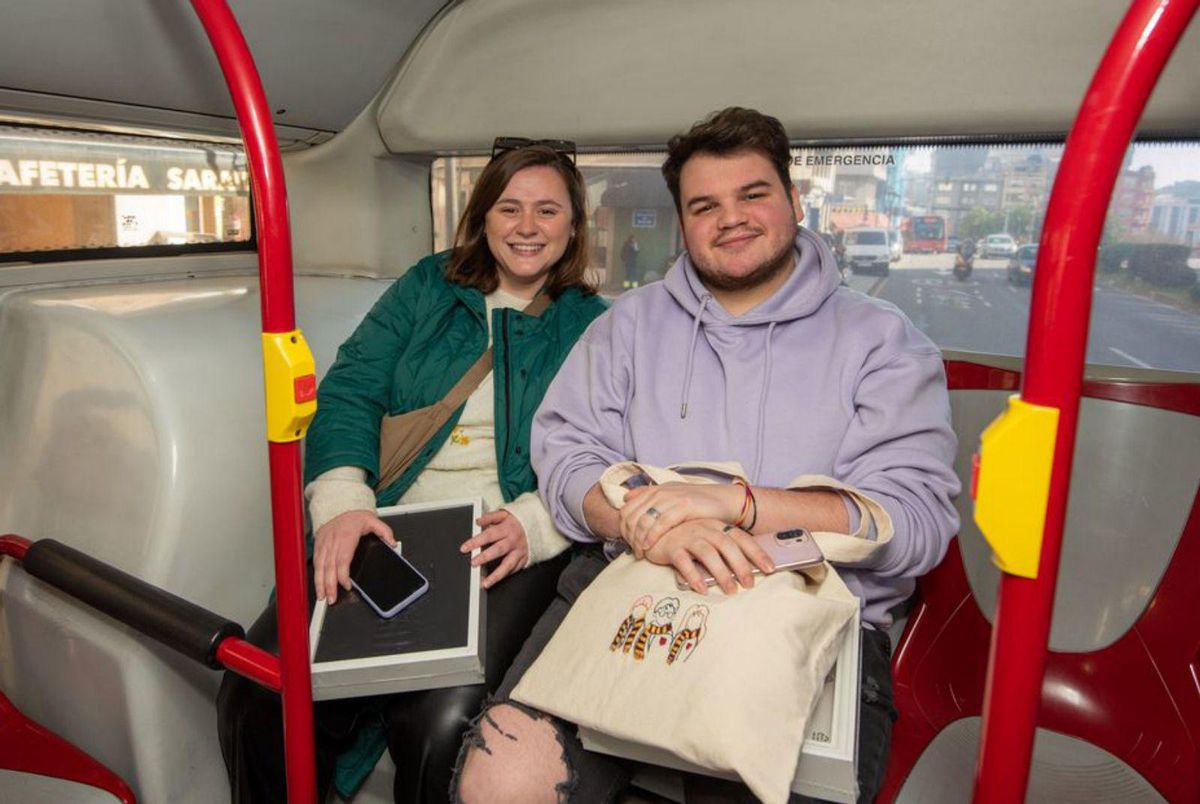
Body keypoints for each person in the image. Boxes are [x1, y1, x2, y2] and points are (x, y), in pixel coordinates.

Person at [453, 108, 960, 803]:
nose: (732, 218)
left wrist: (737, 505)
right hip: (635, 589)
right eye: (704, 206)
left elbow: (914, 523)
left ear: (793, 200)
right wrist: (650, 524)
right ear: (683, 222)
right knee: (502, 779)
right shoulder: (626, 328)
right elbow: (568, 456)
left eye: (752, 194)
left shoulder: (883, 343)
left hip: (806, 610)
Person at [216, 139, 608, 803]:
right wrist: (343, 503)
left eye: (547, 211)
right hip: (387, 518)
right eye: (509, 208)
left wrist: (536, 525)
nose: (527, 227)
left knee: (439, 726)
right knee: (260, 687)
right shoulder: (428, 287)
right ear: (482, 217)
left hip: (503, 537)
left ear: (572, 227)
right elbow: (352, 387)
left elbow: (605, 446)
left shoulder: (592, 325)